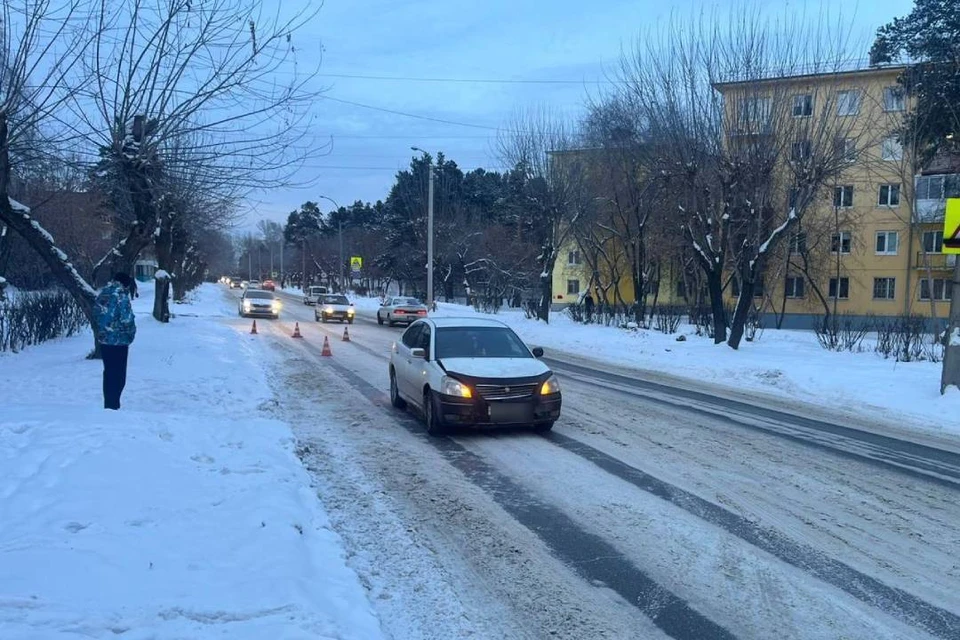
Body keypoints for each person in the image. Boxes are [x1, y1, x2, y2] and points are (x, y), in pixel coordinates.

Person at [95, 272, 137, 410]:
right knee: (118, 375)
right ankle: (114, 405)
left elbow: (95, 314)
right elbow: (127, 319)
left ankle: (108, 403)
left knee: (108, 372)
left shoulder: (103, 293)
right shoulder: (121, 296)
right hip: (119, 341)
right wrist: (131, 334)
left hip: (104, 340)